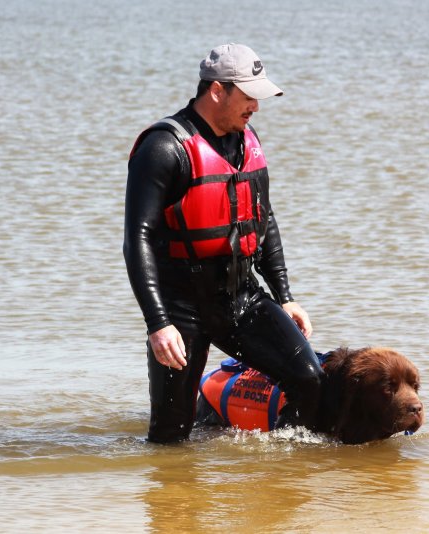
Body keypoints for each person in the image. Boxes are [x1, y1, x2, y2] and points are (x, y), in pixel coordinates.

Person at [123, 43, 323, 443]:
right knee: (170, 437)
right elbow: (137, 239)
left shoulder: (246, 140)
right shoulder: (164, 148)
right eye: (249, 97)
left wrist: (284, 296)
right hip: (181, 306)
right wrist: (158, 323)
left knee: (311, 381)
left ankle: (280, 473)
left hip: (240, 296)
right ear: (217, 91)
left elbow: (263, 218)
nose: (256, 108)